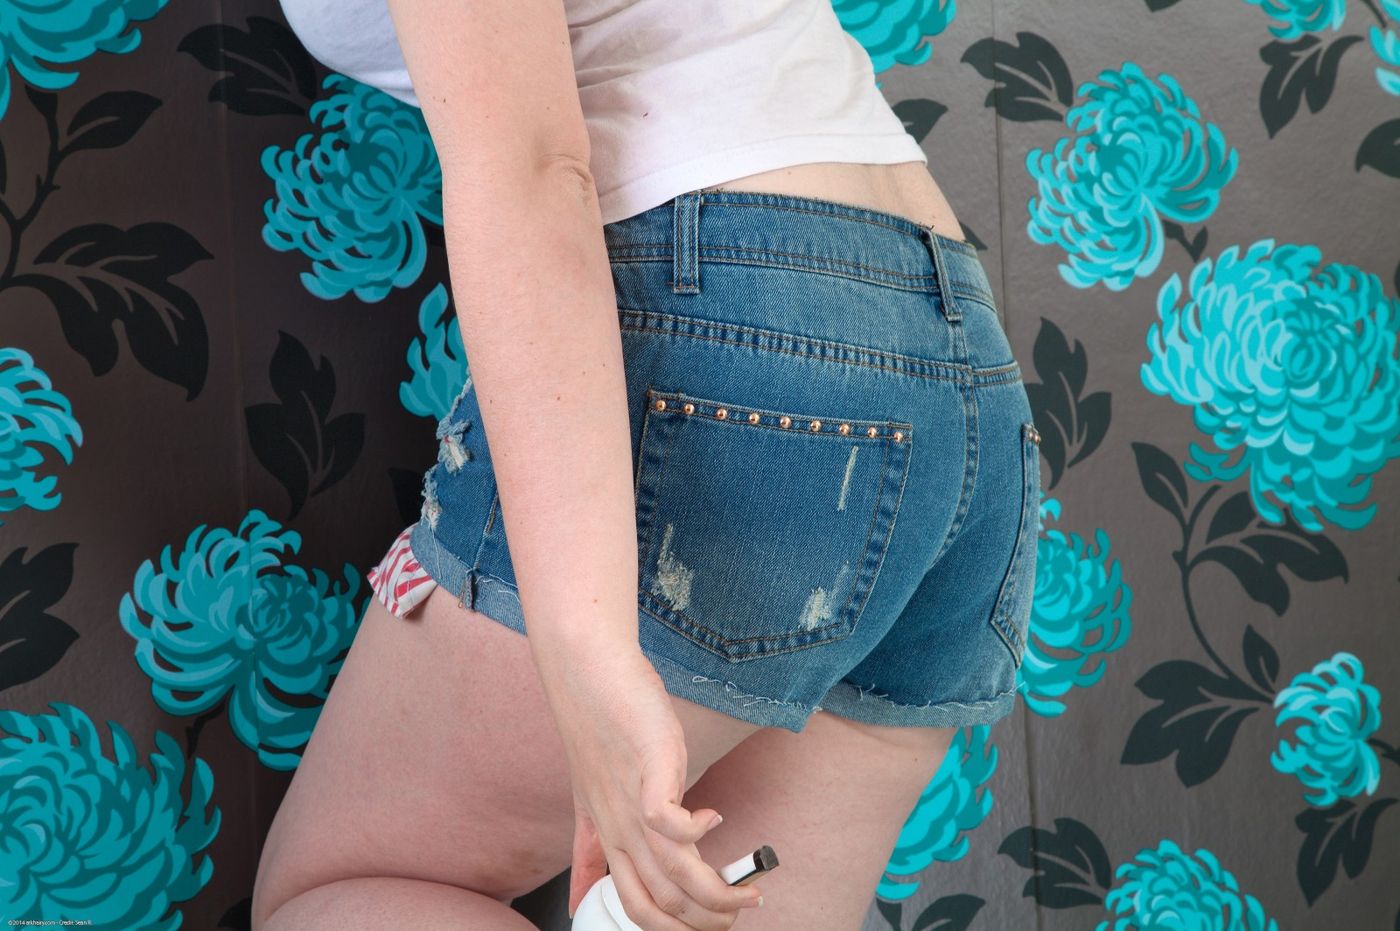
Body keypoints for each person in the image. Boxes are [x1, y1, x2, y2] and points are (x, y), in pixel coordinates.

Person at [252, 0, 1041, 929]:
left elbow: (534, 170)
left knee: (336, 890)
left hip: (736, 342)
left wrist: (587, 655)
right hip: (962, 373)